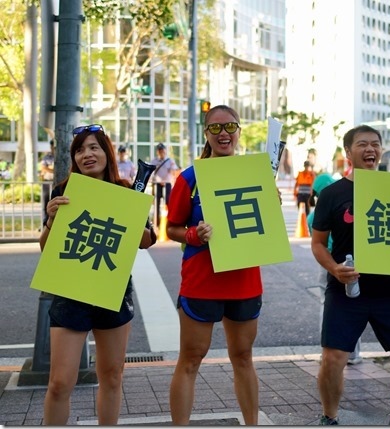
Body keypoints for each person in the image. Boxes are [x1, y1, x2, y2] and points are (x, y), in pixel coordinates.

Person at [311, 124, 390, 425]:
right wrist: (334, 269)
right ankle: (329, 416)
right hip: (346, 288)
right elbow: (318, 244)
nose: (370, 149)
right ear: (348, 152)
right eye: (362, 144)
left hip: (389, 289)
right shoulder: (332, 194)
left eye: (375, 144)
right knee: (333, 359)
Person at [39, 124, 156, 425]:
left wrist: (134, 219)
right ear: (73, 158)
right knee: (59, 383)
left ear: (107, 153)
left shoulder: (127, 190)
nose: (86, 154)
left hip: (112, 291)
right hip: (70, 292)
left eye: (94, 147)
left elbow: (147, 240)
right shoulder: (63, 191)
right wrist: (52, 219)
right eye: (79, 149)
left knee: (112, 378)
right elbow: (45, 247)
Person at [166, 105, 263, 425]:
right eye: (216, 128)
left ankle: (252, 424)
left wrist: (271, 203)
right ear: (205, 133)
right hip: (202, 280)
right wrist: (193, 234)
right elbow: (172, 228)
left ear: (239, 131)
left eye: (231, 126)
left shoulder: (255, 173)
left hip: (244, 278)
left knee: (244, 358)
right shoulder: (190, 177)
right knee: (191, 359)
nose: (224, 134)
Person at [307, 172, 363, 365]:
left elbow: (317, 241)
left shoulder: (313, 215)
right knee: (355, 306)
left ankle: (329, 351)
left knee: (329, 305)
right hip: (345, 262)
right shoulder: (349, 204)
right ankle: (353, 353)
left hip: (328, 263)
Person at [151, 142, 179, 226]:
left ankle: (170, 222)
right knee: (156, 204)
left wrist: (168, 178)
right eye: (159, 151)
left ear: (165, 151)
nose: (161, 152)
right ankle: (157, 224)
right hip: (157, 185)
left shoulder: (170, 161)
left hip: (167, 184)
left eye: (162, 150)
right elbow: (151, 171)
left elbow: (174, 170)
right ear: (157, 152)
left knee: (168, 203)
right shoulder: (154, 161)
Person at [40, 139, 55, 220]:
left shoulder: (63, 155)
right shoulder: (47, 157)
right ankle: (45, 221)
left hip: (57, 182)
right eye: (53, 147)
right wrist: (54, 170)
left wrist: (50, 169)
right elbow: (43, 168)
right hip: (47, 182)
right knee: (46, 202)